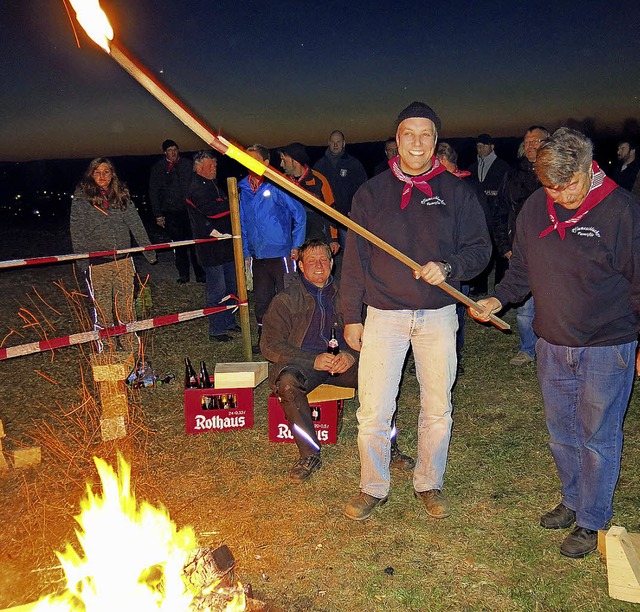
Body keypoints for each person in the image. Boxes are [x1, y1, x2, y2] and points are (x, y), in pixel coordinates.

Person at [471, 127, 640, 559]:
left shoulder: (622, 212)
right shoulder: (535, 208)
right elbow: (521, 271)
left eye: (570, 185)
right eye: (552, 186)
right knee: (561, 431)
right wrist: (498, 297)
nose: (561, 196)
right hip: (551, 342)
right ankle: (571, 498)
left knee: (598, 436)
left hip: (607, 343)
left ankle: (592, 518)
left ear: (590, 167)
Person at [341, 101, 491, 521]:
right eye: (410, 134)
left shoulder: (458, 191)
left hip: (438, 314)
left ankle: (429, 481)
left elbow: (481, 250)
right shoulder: (370, 193)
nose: (418, 142)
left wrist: (448, 268)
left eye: (426, 134)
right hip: (384, 314)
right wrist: (352, 314)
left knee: (437, 406)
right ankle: (373, 485)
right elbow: (355, 258)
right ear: (397, 140)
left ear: (436, 141)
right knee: (373, 407)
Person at [261, 239, 415, 483]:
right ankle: (309, 454)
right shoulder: (285, 300)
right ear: (300, 266)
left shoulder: (350, 296)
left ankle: (388, 446)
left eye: (324, 259)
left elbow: (374, 332)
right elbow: (269, 344)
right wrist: (313, 359)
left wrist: (351, 356)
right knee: (287, 384)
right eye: (311, 261)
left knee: (379, 378)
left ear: (332, 263)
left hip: (344, 361)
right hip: (305, 363)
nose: (319, 266)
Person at [70, 158, 157, 353]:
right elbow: (77, 231)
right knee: (103, 311)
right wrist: (83, 263)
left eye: (106, 172)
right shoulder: (82, 198)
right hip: (98, 265)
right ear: (91, 174)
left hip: (124, 262)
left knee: (126, 308)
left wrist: (148, 251)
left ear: (112, 174)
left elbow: (135, 223)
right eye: (97, 172)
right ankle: (108, 351)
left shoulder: (121, 195)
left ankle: (131, 350)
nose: (102, 176)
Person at [238, 144, 306, 352]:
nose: (248, 162)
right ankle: (265, 339)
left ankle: (293, 338)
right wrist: (246, 252)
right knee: (262, 299)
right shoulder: (243, 189)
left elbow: (300, 214)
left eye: (253, 158)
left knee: (288, 296)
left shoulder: (278, 185)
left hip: (282, 254)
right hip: (258, 256)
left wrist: (297, 245)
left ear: (266, 163)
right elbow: (242, 222)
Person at [492, 126, 549, 366]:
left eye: (537, 140)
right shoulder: (513, 174)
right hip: (520, 249)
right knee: (525, 307)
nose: (531, 145)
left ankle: (550, 350)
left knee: (550, 303)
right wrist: (505, 244)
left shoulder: (556, 173)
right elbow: (500, 211)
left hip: (551, 251)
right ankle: (527, 349)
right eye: (527, 141)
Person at [186, 150, 237, 342]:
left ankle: (228, 321)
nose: (214, 168)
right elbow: (211, 212)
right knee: (217, 289)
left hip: (225, 247)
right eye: (210, 165)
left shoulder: (213, 185)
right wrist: (232, 203)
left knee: (231, 285)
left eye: (215, 165)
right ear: (199, 167)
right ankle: (217, 328)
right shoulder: (197, 188)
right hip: (210, 248)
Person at [149, 139, 204, 284]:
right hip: (171, 212)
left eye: (175, 149)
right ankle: (184, 275)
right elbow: (154, 192)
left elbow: (197, 185)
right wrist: (158, 214)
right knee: (179, 245)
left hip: (190, 210)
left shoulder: (188, 165)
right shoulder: (159, 168)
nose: (173, 153)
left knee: (195, 243)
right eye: (169, 150)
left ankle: (200, 274)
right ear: (165, 152)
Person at [467, 134, 510, 295]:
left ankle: (500, 289)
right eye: (478, 146)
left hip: (498, 217)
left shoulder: (503, 167)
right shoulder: (472, 167)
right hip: (479, 217)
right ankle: (479, 287)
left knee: (500, 254)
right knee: (481, 252)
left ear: (492, 147)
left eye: (484, 145)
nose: (481, 149)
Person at [279, 142, 340, 255]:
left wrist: (333, 239)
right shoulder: (282, 181)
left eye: (284, 160)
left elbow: (331, 210)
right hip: (291, 240)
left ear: (294, 160)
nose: (281, 164)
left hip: (316, 238)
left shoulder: (319, 180)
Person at [313, 130, 368, 251]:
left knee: (350, 250)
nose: (335, 145)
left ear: (344, 143)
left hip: (346, 217)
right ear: (328, 143)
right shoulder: (320, 165)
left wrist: (354, 209)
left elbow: (363, 189)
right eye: (333, 142)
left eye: (338, 142)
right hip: (326, 217)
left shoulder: (353, 164)